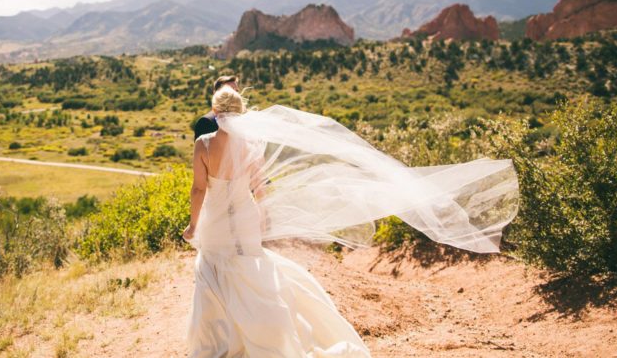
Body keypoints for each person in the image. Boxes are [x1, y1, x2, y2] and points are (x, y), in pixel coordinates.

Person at [183, 86, 518, 356]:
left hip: (215, 219)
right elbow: (260, 188)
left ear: (215, 111)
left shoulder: (203, 144)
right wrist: (265, 214)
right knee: (248, 266)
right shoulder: (252, 144)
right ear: (241, 112)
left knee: (213, 269)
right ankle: (265, 334)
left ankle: (220, 342)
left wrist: (193, 225)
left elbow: (200, 189)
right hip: (245, 216)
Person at [192, 75, 239, 140]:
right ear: (216, 94)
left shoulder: (242, 119)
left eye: (236, 91)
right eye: (229, 91)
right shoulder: (206, 122)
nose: (234, 95)